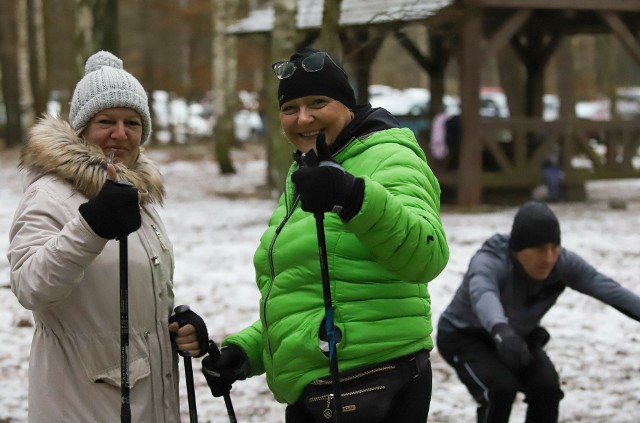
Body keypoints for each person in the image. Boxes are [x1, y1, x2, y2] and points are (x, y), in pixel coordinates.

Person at [199, 47, 449, 423]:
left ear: (347, 106)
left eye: (318, 102)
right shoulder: (307, 173)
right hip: (321, 390)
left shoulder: (389, 157)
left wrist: (353, 197)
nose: (304, 118)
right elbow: (310, 292)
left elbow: (426, 255)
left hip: (372, 383)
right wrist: (249, 351)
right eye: (290, 108)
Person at [6, 51, 200, 422]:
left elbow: (129, 292)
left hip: (148, 403)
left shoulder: (134, 192)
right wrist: (90, 227)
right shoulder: (49, 194)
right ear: (80, 128)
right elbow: (30, 286)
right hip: (81, 404)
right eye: (105, 121)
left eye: (132, 122)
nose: (120, 134)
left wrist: (176, 328)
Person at [436, 201, 640, 423]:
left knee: (547, 389)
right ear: (518, 249)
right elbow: (483, 295)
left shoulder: (562, 263)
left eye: (554, 247)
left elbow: (607, 288)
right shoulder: (490, 261)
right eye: (540, 249)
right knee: (499, 391)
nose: (549, 258)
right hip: (464, 336)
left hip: (514, 336)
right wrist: (500, 329)